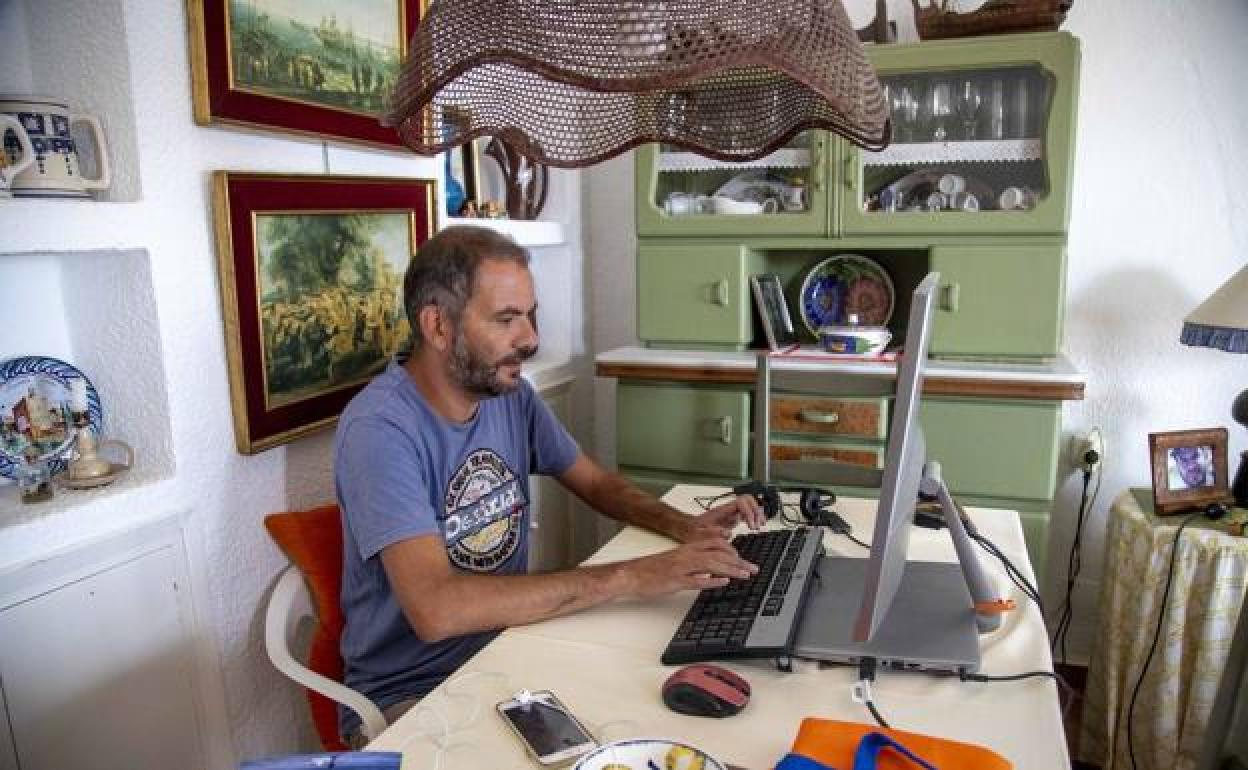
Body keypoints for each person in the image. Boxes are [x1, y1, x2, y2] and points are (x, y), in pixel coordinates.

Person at [334, 225, 764, 745]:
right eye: (506, 319)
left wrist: (685, 526)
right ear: (438, 326)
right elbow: (437, 610)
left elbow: (596, 483)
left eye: (529, 314)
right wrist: (634, 576)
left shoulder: (508, 395)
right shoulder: (379, 429)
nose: (530, 339)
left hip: (510, 648)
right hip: (414, 694)